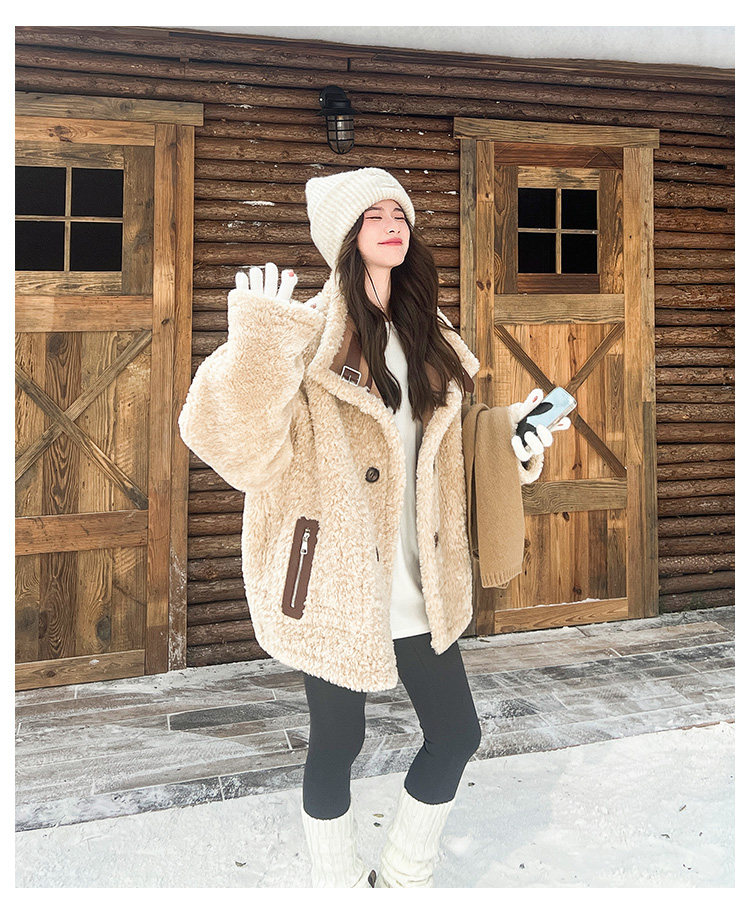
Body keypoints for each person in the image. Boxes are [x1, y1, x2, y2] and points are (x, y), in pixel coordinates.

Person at [178, 167, 570, 888]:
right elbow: (237, 447)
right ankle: (336, 887)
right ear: (344, 235)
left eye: (400, 213)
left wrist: (507, 435)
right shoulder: (306, 335)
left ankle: (403, 879)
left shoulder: (428, 334)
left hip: (419, 577)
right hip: (335, 575)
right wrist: (259, 346)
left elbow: (445, 447)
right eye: (373, 216)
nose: (393, 225)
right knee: (338, 742)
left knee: (456, 733)